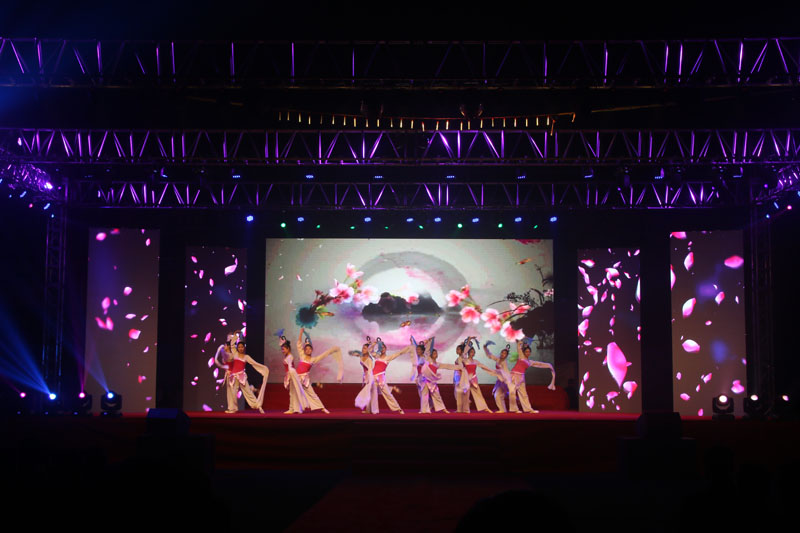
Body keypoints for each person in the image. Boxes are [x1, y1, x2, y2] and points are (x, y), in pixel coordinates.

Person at [214, 332, 267, 413]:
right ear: (237, 348)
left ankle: (258, 406)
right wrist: (235, 335)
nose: (240, 348)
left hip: (242, 376)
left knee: (248, 393)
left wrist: (264, 369)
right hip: (233, 376)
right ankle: (233, 409)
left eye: (242, 347)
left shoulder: (246, 357)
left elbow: (254, 364)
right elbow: (232, 345)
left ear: (244, 348)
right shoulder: (235, 354)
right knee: (232, 393)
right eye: (239, 347)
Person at [295, 327, 342, 414]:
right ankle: (297, 409)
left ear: (312, 350)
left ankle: (322, 408)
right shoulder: (302, 356)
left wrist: (331, 350)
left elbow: (323, 355)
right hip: (297, 378)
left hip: (305, 379)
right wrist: (301, 333)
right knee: (296, 393)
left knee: (312, 394)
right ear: (304, 350)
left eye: (310, 349)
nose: (308, 350)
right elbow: (299, 344)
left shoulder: (313, 359)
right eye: (306, 349)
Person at [508, 340, 557, 414]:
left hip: (521, 377)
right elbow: (519, 347)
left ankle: (528, 409)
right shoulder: (521, 357)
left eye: (529, 352)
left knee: (524, 394)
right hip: (514, 375)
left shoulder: (529, 362)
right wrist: (520, 342)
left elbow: (539, 364)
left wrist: (549, 366)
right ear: (523, 352)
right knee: (512, 392)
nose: (528, 353)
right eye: (526, 352)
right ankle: (514, 409)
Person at [368, 338, 413, 414]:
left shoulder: (388, 358)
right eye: (381, 348)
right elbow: (370, 351)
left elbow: (399, 353)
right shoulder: (377, 356)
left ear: (386, 349)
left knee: (388, 394)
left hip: (381, 378)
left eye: (383, 348)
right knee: (373, 393)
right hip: (373, 377)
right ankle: (372, 410)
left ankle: (398, 408)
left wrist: (410, 346)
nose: (382, 349)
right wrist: (374, 343)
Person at [462, 340, 496, 413]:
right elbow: (464, 352)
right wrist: (468, 341)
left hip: (473, 379)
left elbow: (483, 366)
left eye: (473, 352)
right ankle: (465, 409)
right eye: (471, 352)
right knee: (466, 394)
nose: (472, 353)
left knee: (478, 394)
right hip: (466, 379)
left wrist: (492, 371)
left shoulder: (475, 361)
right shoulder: (465, 360)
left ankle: (485, 408)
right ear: (468, 353)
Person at [418, 348, 456, 413]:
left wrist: (459, 367)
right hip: (426, 380)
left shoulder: (437, 364)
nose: (435, 354)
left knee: (437, 396)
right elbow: (427, 350)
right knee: (424, 395)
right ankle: (424, 410)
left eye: (436, 353)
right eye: (434, 353)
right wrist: (429, 343)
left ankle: (443, 409)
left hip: (432, 382)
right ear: (431, 355)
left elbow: (447, 366)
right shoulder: (428, 361)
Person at [279, 335, 309, 414]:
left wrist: (289, 376)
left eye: (283, 349)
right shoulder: (287, 356)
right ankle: (293, 408)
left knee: (294, 393)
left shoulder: (290, 357)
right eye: (282, 349)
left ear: (288, 349)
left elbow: (290, 368)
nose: (282, 351)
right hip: (290, 375)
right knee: (292, 393)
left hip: (292, 375)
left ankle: (295, 409)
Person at [351, 337, 379, 414]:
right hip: (366, 375)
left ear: (368, 350)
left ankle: (373, 410)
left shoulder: (370, 358)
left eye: (365, 348)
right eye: (363, 348)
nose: (363, 349)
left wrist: (373, 344)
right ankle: (369, 410)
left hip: (370, 375)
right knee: (369, 393)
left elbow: (370, 369)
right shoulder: (361, 356)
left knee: (371, 392)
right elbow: (354, 353)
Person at [483, 341, 512, 413]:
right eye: (502, 352)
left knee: (508, 393)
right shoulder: (498, 359)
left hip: (506, 380)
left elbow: (505, 373)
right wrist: (485, 347)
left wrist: (506, 381)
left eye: (504, 353)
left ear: (506, 356)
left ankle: (514, 399)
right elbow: (490, 355)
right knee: (497, 395)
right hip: (500, 381)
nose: (502, 354)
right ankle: (502, 409)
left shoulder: (504, 362)